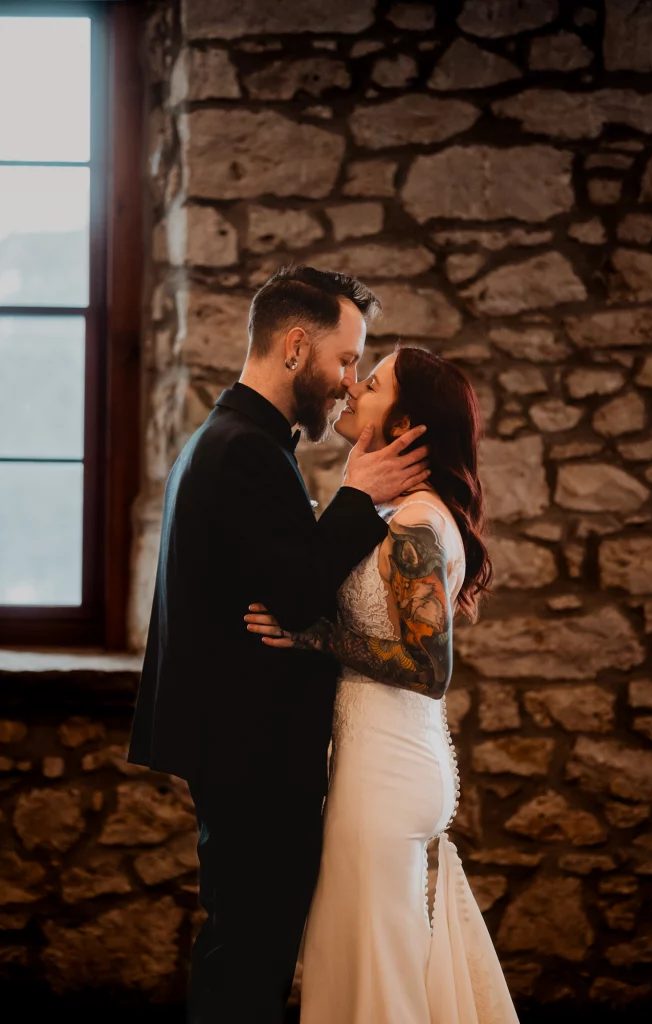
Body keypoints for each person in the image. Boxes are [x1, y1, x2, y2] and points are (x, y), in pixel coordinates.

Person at [126, 265, 431, 1024]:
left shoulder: (238, 440)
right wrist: (360, 496)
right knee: (248, 962)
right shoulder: (243, 451)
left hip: (242, 752)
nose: (348, 382)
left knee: (247, 952)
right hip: (253, 756)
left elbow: (286, 590)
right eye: (345, 359)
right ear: (296, 346)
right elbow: (298, 596)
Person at [245, 346, 520, 1024]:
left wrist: (312, 637)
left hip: (388, 771)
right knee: (367, 957)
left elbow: (429, 670)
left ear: (402, 427)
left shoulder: (417, 527)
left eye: (369, 384)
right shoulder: (400, 517)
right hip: (375, 759)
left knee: (374, 965)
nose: (350, 387)